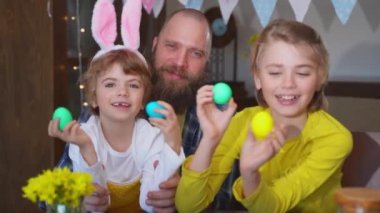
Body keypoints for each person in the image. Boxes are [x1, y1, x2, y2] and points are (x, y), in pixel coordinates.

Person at [56, 8, 241, 212]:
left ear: (206, 60)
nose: (180, 62)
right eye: (171, 46)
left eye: (196, 53)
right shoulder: (110, 106)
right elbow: (52, 195)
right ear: (154, 45)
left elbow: (228, 203)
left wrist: (187, 194)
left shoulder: (216, 123)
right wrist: (81, 201)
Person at [176, 19, 353, 213]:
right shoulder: (243, 121)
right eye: (275, 72)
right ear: (258, 78)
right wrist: (209, 139)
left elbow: (275, 205)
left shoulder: (334, 138)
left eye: (302, 73)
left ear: (320, 79)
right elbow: (187, 207)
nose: (288, 83)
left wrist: (249, 175)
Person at [49, 48, 185, 212]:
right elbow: (97, 207)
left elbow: (150, 203)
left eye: (133, 85)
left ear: (143, 100)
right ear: (93, 97)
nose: (122, 92)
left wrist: (173, 144)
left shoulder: (151, 137)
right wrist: (87, 148)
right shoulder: (83, 137)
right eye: (110, 84)